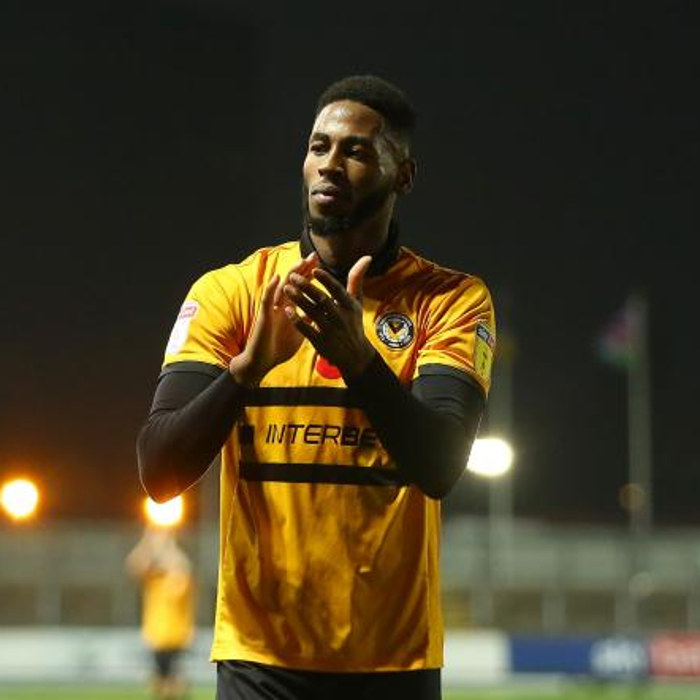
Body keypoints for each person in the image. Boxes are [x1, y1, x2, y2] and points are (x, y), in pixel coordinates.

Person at [136, 74, 496, 700]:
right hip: (259, 664)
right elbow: (159, 469)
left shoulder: (451, 300)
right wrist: (246, 370)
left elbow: (440, 466)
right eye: (318, 146)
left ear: (404, 176)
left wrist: (360, 361)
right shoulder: (232, 292)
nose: (330, 163)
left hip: (393, 666)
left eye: (356, 150)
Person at [126, 526, 196, 700]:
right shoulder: (154, 579)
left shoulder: (180, 579)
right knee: (158, 683)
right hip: (156, 636)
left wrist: (167, 546)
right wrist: (147, 542)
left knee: (174, 683)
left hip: (176, 637)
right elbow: (133, 565)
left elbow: (179, 568)